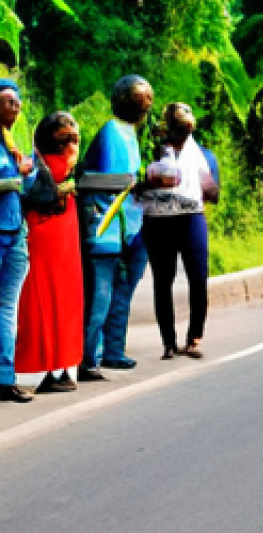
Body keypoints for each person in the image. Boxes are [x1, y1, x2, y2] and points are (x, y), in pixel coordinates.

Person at [78, 75, 157, 380]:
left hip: (130, 227)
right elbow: (108, 183)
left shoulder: (131, 134)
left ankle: (113, 349)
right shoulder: (111, 132)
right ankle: (89, 356)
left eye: (148, 96)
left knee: (120, 292)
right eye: (139, 95)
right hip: (106, 228)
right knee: (100, 295)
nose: (145, 101)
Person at [140, 103, 219, 361]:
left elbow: (213, 193)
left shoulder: (203, 157)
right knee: (163, 281)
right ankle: (169, 342)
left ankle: (194, 338)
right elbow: (139, 186)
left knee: (198, 279)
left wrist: (200, 183)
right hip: (159, 220)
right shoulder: (153, 153)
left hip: (190, 219)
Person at [16, 112, 84, 393]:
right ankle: (58, 365)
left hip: (44, 232)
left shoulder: (36, 163)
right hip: (58, 234)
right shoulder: (60, 169)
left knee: (41, 298)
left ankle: (48, 365)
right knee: (61, 300)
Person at [0, 79, 36, 403]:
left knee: (7, 308)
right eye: (9, 101)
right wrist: (16, 177)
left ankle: (5, 377)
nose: (16, 107)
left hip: (14, 235)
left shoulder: (11, 142)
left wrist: (31, 173)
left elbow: (23, 184)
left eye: (17, 102)